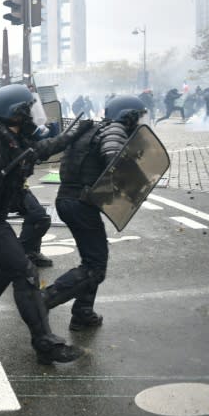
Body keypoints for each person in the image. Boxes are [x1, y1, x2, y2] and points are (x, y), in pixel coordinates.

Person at [0, 84, 90, 364]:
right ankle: (44, 343)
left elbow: (42, 149)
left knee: (9, 264)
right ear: (17, 113)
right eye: (29, 109)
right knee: (25, 272)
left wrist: (73, 133)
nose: (33, 115)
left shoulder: (13, 138)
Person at [42, 95, 147, 332]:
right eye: (138, 116)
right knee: (95, 267)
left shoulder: (94, 129)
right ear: (127, 115)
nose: (140, 122)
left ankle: (83, 313)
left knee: (92, 260)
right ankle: (44, 301)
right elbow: (114, 157)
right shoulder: (114, 130)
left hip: (71, 201)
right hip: (79, 203)